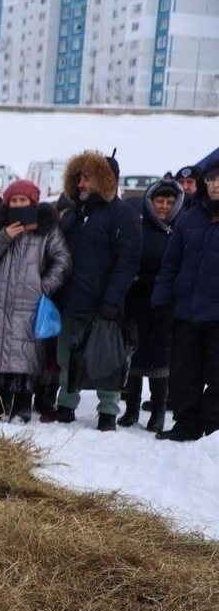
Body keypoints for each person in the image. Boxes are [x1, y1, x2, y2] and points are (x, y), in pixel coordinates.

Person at [48, 151, 141, 431]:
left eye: (87, 178)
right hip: (70, 299)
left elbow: (128, 260)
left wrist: (112, 299)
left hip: (103, 303)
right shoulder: (75, 214)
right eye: (79, 178)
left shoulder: (123, 216)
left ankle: (108, 412)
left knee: (107, 358)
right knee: (67, 356)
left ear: (104, 180)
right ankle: (66, 405)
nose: (81, 184)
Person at [0, 180, 71, 422]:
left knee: (26, 355)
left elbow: (63, 261)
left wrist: (42, 286)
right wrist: (4, 236)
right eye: (13, 201)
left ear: (33, 203)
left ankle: (22, 407)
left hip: (29, 305)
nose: (17, 204)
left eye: (22, 201)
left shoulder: (47, 229)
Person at [152, 149, 219, 441]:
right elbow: (170, 264)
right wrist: (162, 301)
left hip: (217, 314)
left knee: (217, 375)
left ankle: (214, 427)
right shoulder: (189, 219)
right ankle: (186, 423)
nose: (216, 184)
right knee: (183, 373)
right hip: (186, 311)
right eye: (212, 179)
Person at [119, 178, 182, 432]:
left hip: (164, 303)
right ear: (150, 202)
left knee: (160, 357)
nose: (164, 206)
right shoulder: (138, 227)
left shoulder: (180, 229)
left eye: (169, 201)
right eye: (160, 201)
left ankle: (158, 411)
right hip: (136, 299)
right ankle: (132, 408)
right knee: (133, 353)